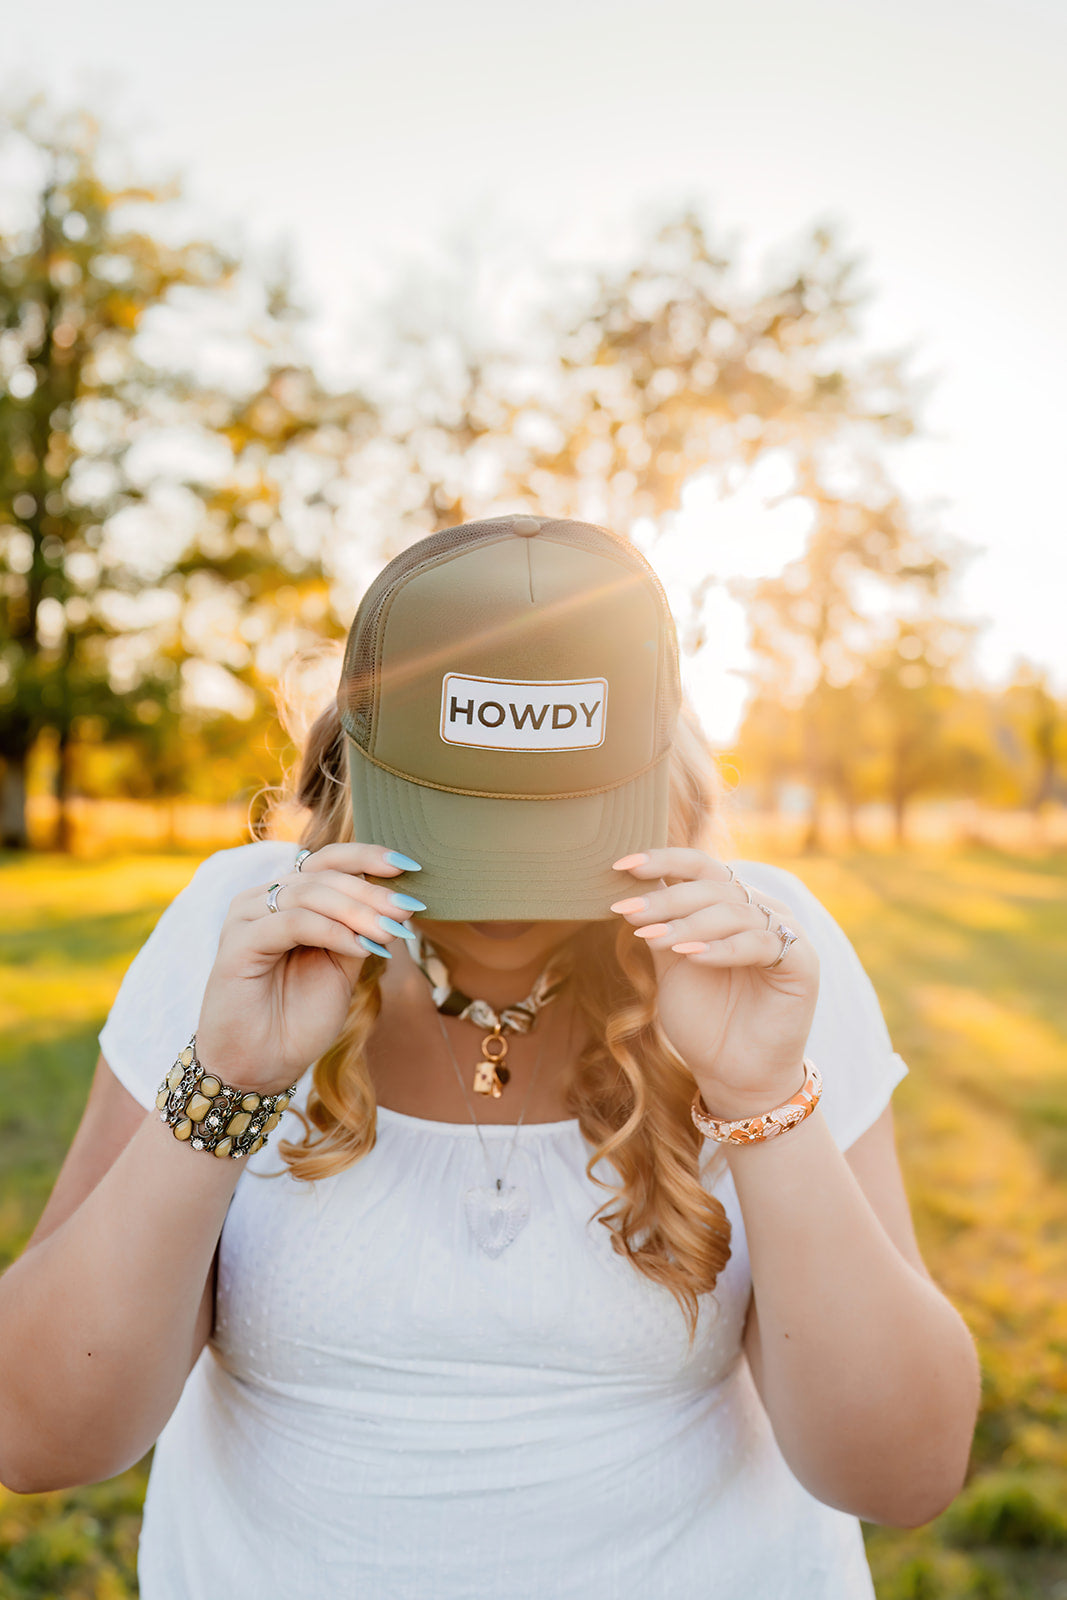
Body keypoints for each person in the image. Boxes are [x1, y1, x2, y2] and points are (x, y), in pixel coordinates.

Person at [0, 514, 979, 1599]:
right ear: (350, 765)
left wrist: (760, 1098)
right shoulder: (243, 931)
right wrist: (228, 1085)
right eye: (461, 820)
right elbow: (39, 1436)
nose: (505, 901)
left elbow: (903, 1473)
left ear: (662, 776)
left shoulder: (759, 947)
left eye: (558, 822)